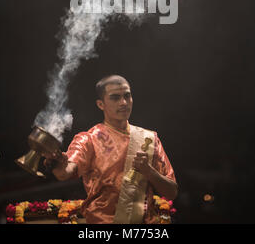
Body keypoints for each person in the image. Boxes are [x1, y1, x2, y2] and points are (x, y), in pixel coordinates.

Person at [47, 75, 178, 224]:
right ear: (100, 104)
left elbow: (172, 192)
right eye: (115, 98)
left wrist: (149, 171)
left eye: (127, 96)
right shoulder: (88, 139)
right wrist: (57, 162)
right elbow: (64, 173)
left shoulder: (150, 139)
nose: (123, 103)